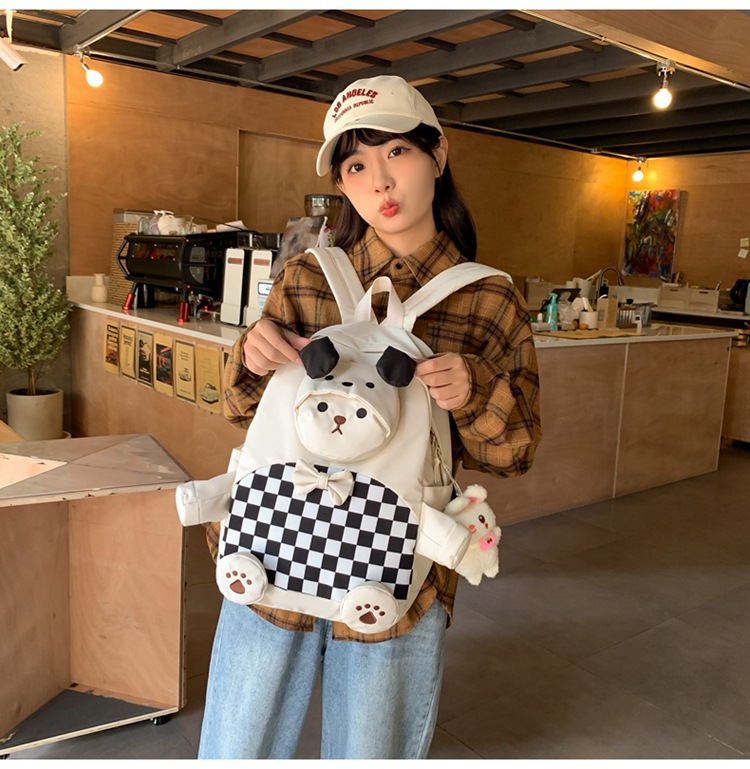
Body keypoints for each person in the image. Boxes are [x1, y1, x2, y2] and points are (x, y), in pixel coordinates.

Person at [198, 75, 541, 760]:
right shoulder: (308, 277)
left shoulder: (487, 298)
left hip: (394, 577)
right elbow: (239, 410)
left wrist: (473, 391)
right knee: (236, 747)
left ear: (438, 155)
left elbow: (516, 454)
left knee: (370, 752)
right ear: (342, 184)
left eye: (397, 153)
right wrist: (251, 354)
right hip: (272, 553)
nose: (379, 181)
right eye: (356, 165)